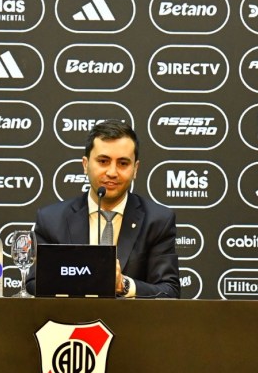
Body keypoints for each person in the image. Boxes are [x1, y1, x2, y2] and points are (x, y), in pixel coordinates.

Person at [27, 119, 180, 298]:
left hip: (130, 324)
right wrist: (86, 278)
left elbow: (169, 291)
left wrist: (122, 285)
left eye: (123, 163)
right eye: (103, 161)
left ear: (135, 169)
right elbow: (33, 283)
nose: (112, 172)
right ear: (85, 165)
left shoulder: (157, 221)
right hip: (70, 322)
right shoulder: (52, 219)